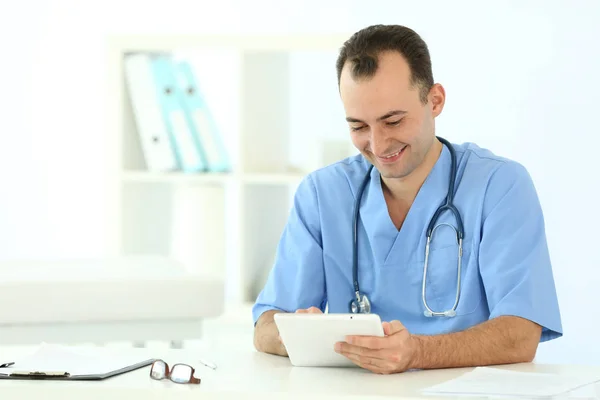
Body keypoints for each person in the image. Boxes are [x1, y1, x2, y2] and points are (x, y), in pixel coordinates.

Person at [251, 24, 562, 374]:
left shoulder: (499, 186)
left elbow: (521, 335)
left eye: (393, 121)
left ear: (435, 100)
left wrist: (417, 352)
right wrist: (296, 332)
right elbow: (265, 326)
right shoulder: (324, 194)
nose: (378, 144)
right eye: (358, 127)